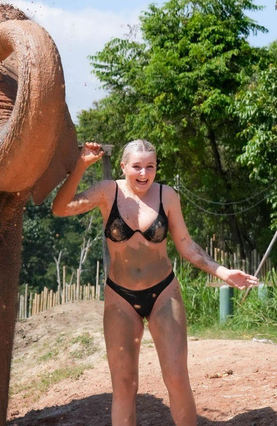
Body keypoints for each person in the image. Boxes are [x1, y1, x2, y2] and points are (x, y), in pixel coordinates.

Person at [52, 140, 258, 426]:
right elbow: (61, 208)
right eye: (137, 166)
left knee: (176, 378)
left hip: (163, 292)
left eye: (150, 166)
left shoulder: (167, 195)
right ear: (123, 166)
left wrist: (222, 272)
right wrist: (80, 166)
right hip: (120, 297)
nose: (143, 173)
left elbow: (187, 246)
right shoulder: (107, 192)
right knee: (124, 385)